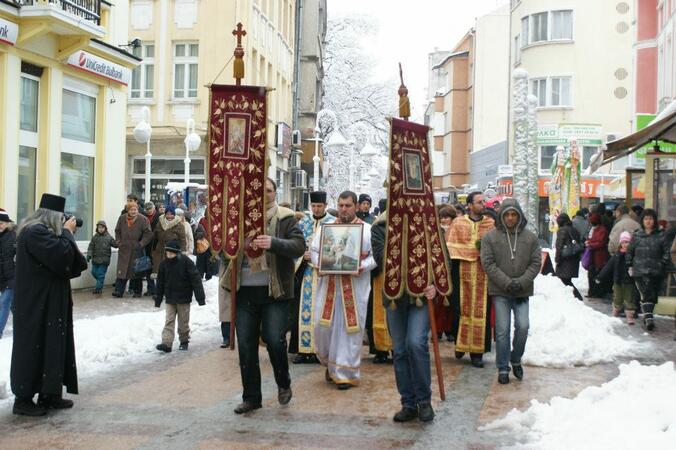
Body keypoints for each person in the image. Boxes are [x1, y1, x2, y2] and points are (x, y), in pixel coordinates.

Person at [226, 178, 305, 414]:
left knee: (273, 339)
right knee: (247, 346)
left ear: (275, 193)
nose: (264, 195)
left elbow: (299, 246)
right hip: (245, 291)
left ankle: (283, 382)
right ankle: (251, 397)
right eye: (260, 191)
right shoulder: (237, 218)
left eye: (269, 191)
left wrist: (273, 243)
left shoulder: (285, 217)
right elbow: (224, 249)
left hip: (275, 291)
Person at [10, 194, 88, 416]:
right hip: (36, 305)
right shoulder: (35, 232)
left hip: (49, 303)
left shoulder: (42, 233)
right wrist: (67, 232)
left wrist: (65, 235)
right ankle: (23, 399)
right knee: (32, 348)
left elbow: (73, 261)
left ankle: (49, 393)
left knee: (52, 346)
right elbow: (62, 256)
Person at [371, 209, 446, 422]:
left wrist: (435, 286)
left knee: (416, 343)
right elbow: (381, 259)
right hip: (395, 296)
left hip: (421, 298)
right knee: (401, 349)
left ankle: (424, 401)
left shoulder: (429, 221)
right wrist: (401, 234)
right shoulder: (381, 225)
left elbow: (442, 259)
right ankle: (408, 402)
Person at [312, 191, 377, 389]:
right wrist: (320, 264)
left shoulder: (367, 230)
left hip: (355, 288)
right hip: (329, 287)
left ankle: (345, 373)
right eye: (340, 205)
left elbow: (376, 256)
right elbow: (314, 251)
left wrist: (362, 266)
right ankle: (330, 364)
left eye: (348, 205)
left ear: (356, 206)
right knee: (323, 327)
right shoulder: (326, 229)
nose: (343, 209)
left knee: (350, 330)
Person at [481, 198, 541, 385]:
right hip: (501, 291)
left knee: (523, 327)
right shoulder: (490, 237)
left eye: (514, 214)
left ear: (519, 216)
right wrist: (507, 283)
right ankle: (503, 367)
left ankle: (515, 359)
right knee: (502, 330)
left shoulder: (530, 237)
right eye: (506, 214)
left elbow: (536, 262)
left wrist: (521, 282)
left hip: (522, 291)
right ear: (501, 216)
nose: (510, 218)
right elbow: (488, 264)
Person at [446, 192, 495, 367]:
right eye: (479, 202)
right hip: (461, 273)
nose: (483, 205)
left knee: (482, 311)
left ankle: (477, 352)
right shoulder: (458, 223)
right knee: (460, 309)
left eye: (484, 202)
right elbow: (450, 247)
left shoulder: (490, 223)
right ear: (470, 205)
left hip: (484, 274)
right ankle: (460, 345)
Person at [292, 191, 334, 364]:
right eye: (314, 206)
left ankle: (320, 350)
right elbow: (295, 245)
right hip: (306, 273)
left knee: (322, 311)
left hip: (324, 275)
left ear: (325, 206)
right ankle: (303, 350)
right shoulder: (303, 223)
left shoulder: (332, 223)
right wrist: (302, 254)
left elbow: (335, 248)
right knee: (303, 310)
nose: (316, 209)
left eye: (319, 206)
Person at [154, 240, 206, 352]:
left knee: (183, 322)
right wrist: (158, 299)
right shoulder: (164, 264)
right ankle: (166, 343)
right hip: (170, 298)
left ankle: (184, 341)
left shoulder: (186, 262)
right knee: (169, 320)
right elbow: (160, 282)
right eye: (167, 253)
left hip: (183, 297)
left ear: (177, 253)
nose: (169, 256)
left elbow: (196, 280)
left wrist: (200, 298)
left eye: (171, 254)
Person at [626, 209, 670, 331]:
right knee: (645, 292)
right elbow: (630, 251)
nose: (648, 221)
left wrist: (663, 263)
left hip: (656, 269)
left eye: (650, 219)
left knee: (652, 293)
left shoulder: (661, 235)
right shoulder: (637, 235)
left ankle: (647, 314)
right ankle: (649, 317)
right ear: (642, 221)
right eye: (646, 219)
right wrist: (629, 265)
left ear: (654, 220)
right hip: (639, 269)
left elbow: (667, 251)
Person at [595, 232, 637, 324]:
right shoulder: (617, 255)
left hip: (629, 281)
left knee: (629, 299)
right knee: (617, 298)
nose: (625, 244)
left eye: (627, 242)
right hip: (617, 280)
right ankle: (615, 314)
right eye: (623, 242)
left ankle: (629, 317)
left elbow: (637, 265)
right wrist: (600, 276)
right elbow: (608, 267)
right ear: (620, 243)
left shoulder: (633, 255)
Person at [114, 204, 153, 298]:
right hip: (124, 248)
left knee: (136, 271)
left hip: (136, 249)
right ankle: (119, 291)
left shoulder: (143, 219)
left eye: (135, 209)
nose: (133, 211)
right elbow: (117, 230)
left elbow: (148, 233)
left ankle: (137, 291)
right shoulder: (122, 218)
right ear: (127, 210)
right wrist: (119, 242)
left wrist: (141, 244)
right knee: (122, 271)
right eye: (131, 210)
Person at [435, 204, 457, 341]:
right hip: (439, 270)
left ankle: (449, 329)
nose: (443, 220)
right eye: (441, 217)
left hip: (453, 270)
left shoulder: (457, 230)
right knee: (439, 302)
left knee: (451, 303)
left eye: (446, 217)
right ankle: (437, 329)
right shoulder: (437, 231)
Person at [554, 213, 583, 301]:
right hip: (573, 259)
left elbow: (559, 246)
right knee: (567, 279)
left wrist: (557, 259)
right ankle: (574, 297)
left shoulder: (562, 230)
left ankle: (577, 297)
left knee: (565, 279)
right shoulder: (574, 230)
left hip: (565, 260)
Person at [152, 205, 187, 274]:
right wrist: (153, 248)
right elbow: (155, 235)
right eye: (167, 214)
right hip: (160, 249)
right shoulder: (160, 222)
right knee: (160, 269)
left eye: (171, 214)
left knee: (171, 270)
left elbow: (183, 239)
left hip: (173, 249)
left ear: (174, 215)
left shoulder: (179, 225)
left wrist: (183, 250)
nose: (169, 216)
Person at [86, 220, 117, 294]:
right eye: (99, 227)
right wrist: (89, 255)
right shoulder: (94, 237)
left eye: (102, 227)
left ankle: (98, 289)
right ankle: (100, 281)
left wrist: (120, 241)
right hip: (95, 259)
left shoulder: (109, 237)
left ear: (105, 228)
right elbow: (91, 247)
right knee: (94, 272)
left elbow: (115, 244)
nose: (101, 229)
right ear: (97, 228)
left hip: (104, 260)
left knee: (100, 274)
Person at [585, 213, 611, 298]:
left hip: (600, 257)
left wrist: (590, 244)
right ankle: (592, 292)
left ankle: (597, 293)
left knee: (597, 274)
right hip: (594, 256)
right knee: (592, 274)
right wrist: (589, 242)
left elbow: (601, 243)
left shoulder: (602, 230)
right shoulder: (595, 229)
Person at [0, 208, 16, 338]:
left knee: (4, 303)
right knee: (13, 306)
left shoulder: (14, 236)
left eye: (1, 223)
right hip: (2, 277)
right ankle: (23, 327)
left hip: (12, 277)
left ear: (7, 223)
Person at [142, 202, 160, 296]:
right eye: (147, 209)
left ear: (153, 208)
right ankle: (150, 289)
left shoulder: (159, 216)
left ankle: (158, 289)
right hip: (147, 246)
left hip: (157, 246)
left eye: (150, 209)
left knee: (157, 268)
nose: (149, 211)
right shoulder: (143, 217)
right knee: (148, 268)